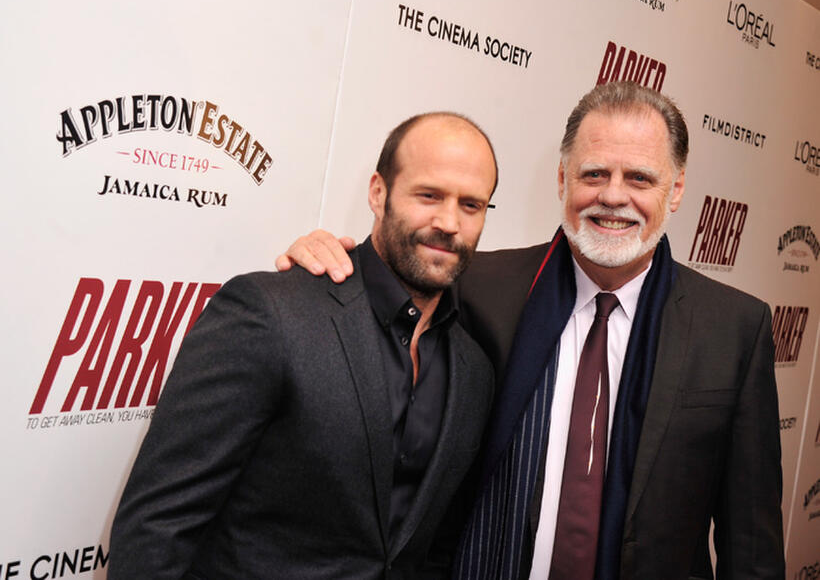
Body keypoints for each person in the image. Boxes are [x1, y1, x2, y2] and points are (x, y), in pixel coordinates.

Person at [275, 81, 785, 579]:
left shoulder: (734, 329)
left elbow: (752, 545)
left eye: (639, 179)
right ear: (562, 180)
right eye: (593, 174)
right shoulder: (474, 286)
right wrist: (325, 265)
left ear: (675, 191)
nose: (612, 196)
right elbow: (376, 308)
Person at [108, 112, 500, 579]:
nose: (450, 222)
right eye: (429, 195)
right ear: (378, 193)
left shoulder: (474, 370)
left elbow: (431, 548)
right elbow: (158, 524)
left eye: (471, 205)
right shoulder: (270, 313)